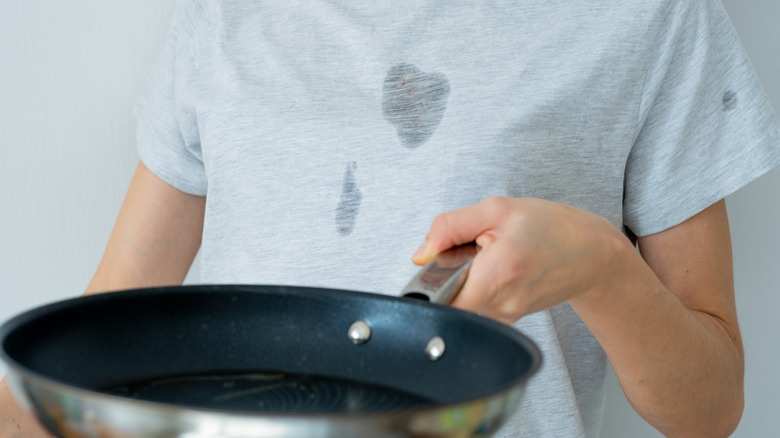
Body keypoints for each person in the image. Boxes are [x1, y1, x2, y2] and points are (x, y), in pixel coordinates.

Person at [3, 0, 780, 436]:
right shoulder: (226, 14)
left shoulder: (651, 17)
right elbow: (88, 356)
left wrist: (603, 266)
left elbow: (710, 409)